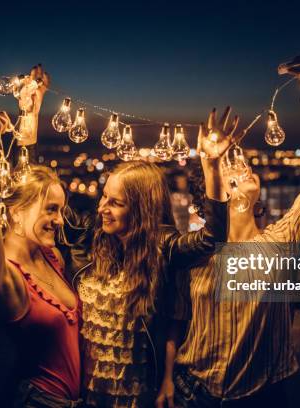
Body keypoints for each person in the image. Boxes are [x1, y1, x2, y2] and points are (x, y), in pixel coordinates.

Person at [156, 57, 300, 407]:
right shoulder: (199, 251)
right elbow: (176, 321)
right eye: (230, 167)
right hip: (193, 393)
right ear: (215, 194)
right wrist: (167, 380)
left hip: (263, 395)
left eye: (240, 159)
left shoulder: (282, 240)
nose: (241, 164)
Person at [61, 111, 236, 407]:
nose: (102, 207)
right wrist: (30, 118)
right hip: (86, 393)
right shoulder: (90, 238)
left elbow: (211, 239)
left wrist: (213, 166)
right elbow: (44, 207)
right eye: (104, 197)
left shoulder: (164, 246)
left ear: (141, 209)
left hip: (138, 392)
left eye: (115, 203)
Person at [0, 66, 82, 407]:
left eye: (59, 210)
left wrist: (31, 112)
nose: (58, 220)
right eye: (51, 210)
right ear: (16, 212)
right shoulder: (6, 277)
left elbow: (23, 180)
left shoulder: (49, 256)